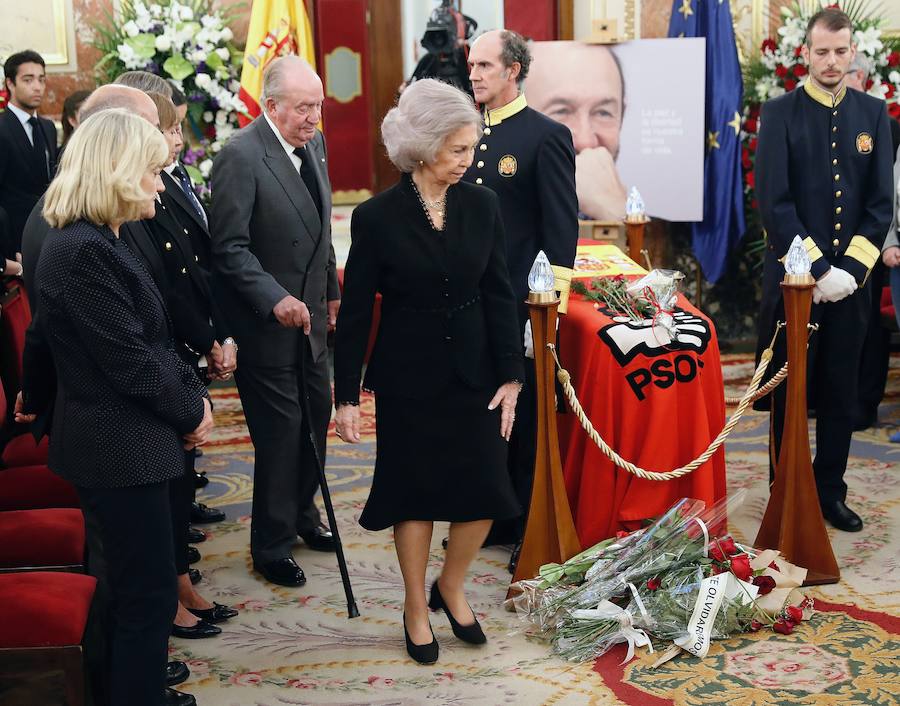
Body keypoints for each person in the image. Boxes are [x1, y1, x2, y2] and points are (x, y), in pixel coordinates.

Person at [17, 108, 211, 706]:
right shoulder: (83, 250)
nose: (160, 185)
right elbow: (132, 361)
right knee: (145, 596)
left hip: (126, 439)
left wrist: (192, 400)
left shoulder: (102, 239)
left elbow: (146, 340)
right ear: (119, 172)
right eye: (152, 172)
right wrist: (192, 411)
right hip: (117, 447)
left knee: (140, 591)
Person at [334, 78, 524, 665]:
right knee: (412, 496)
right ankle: (416, 606)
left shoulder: (483, 205)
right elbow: (355, 311)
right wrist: (346, 395)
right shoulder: (376, 217)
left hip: (476, 372)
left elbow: (500, 294)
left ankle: (452, 584)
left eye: (471, 148)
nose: (468, 160)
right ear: (421, 146)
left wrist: (511, 376)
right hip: (408, 378)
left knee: (485, 492)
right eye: (457, 149)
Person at [754, 7, 893, 532]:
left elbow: (879, 204)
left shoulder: (874, 114)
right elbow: (774, 202)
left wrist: (849, 272)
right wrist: (817, 269)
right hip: (792, 284)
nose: (831, 61)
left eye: (840, 51)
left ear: (852, 52)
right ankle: (784, 489)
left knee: (841, 389)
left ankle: (831, 490)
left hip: (852, 287)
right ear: (805, 53)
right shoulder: (779, 113)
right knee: (785, 389)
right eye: (822, 52)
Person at [210, 55, 339, 587]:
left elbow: (321, 230)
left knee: (317, 418)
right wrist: (273, 297)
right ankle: (271, 543)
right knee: (281, 434)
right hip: (266, 326)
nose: (314, 118)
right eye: (304, 108)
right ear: (271, 105)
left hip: (312, 322)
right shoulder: (240, 155)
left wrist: (331, 292)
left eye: (319, 106)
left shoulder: (315, 143)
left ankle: (304, 515)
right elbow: (229, 248)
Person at [462, 29, 578, 559]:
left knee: (527, 421)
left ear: (513, 70)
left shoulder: (545, 135)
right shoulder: (467, 133)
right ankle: (497, 518)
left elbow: (560, 230)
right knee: (485, 417)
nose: (474, 74)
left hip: (520, 306)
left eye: (485, 65)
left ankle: (530, 528)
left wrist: (545, 314)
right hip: (473, 305)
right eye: (471, 65)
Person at [145, 91, 239, 639]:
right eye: (170, 129)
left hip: (185, 350)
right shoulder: (122, 213)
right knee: (168, 491)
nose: (178, 140)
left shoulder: (167, 183)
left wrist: (218, 333)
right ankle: (172, 592)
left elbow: (198, 266)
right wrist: (207, 339)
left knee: (180, 486)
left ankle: (179, 582)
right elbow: (167, 289)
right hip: (165, 364)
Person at [844, 54, 900, 430]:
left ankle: (864, 402)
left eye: (844, 67)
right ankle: (829, 398)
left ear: (860, 75)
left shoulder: (887, 124)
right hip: (831, 241)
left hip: (873, 239)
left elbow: (890, 187)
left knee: (869, 327)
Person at [524, 41, 626, 221]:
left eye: (603, 113)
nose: (586, 141)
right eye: (561, 112)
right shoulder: (484, 216)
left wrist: (617, 213)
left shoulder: (647, 224)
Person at [0, 50, 58, 258]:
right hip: (13, 238)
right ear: (10, 83)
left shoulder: (48, 127)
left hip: (49, 230)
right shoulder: (2, 128)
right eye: (28, 80)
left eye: (41, 79)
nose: (37, 87)